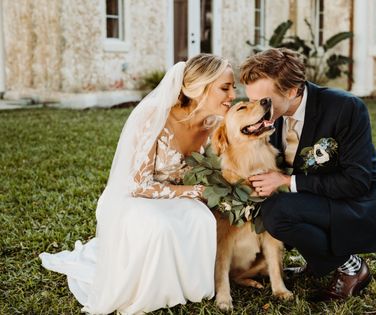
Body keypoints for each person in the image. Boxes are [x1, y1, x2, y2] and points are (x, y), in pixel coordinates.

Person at [40, 53, 236, 314]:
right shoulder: (154, 116)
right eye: (226, 87)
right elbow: (137, 184)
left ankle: (191, 290)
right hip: (135, 198)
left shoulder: (216, 124)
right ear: (199, 87)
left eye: (233, 87)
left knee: (201, 221)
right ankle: (152, 291)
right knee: (161, 227)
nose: (233, 94)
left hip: (180, 198)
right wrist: (195, 190)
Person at [240, 48, 376, 301]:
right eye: (252, 100)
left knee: (278, 212)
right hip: (317, 196)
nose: (257, 108)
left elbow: (356, 182)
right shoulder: (272, 115)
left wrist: (286, 181)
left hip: (357, 202)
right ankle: (318, 262)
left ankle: (351, 267)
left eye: (263, 102)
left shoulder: (345, 107)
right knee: (268, 207)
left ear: (292, 91)